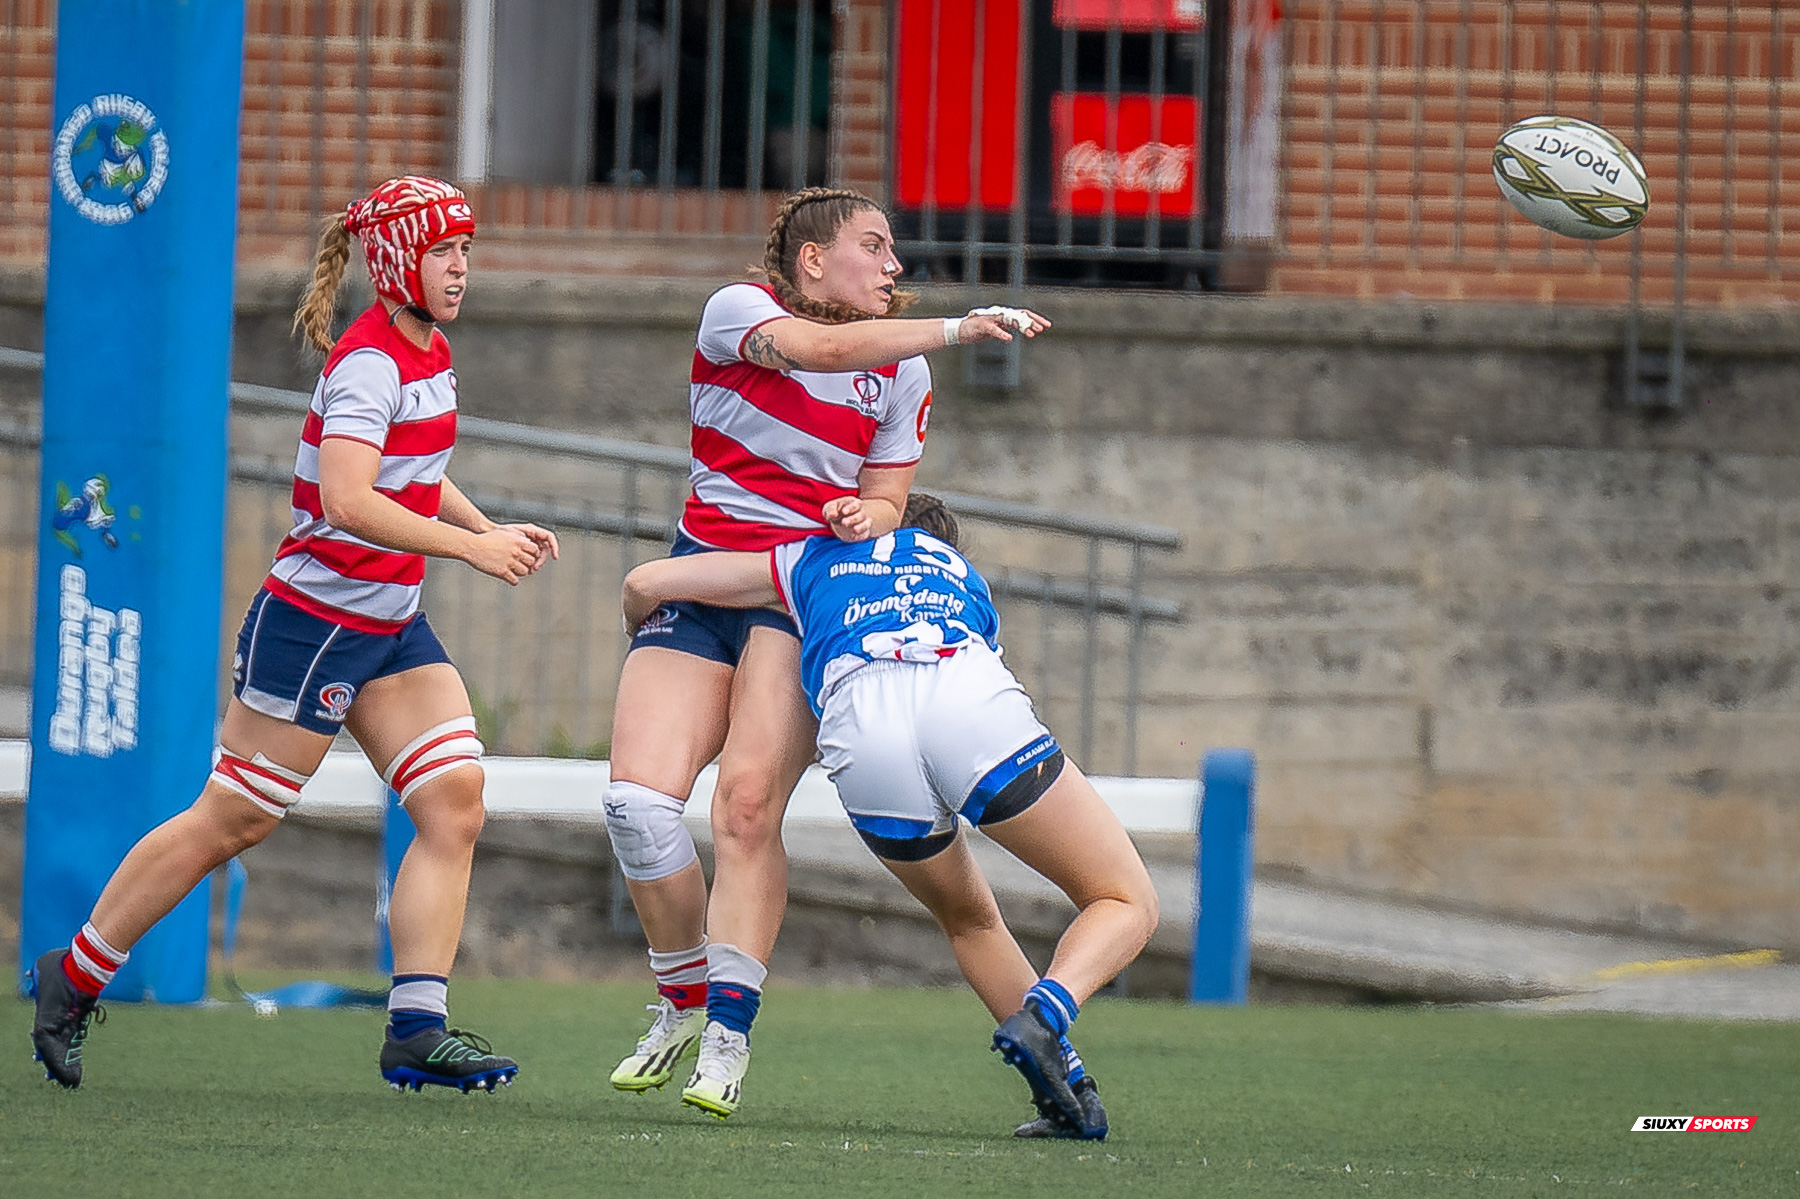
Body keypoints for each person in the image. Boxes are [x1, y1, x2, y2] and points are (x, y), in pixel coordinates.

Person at [29, 176, 559, 1094]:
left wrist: (482, 527)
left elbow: (414, 471)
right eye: (443, 252)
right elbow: (349, 501)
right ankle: (71, 974)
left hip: (389, 623)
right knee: (233, 818)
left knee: (454, 801)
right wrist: (473, 550)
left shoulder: (429, 350)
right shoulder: (368, 363)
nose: (461, 269)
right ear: (396, 262)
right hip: (314, 627)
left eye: (466, 251)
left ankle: (416, 1028)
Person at [602, 186, 1050, 1119]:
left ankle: (726, 1036)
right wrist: (960, 326)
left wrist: (865, 514)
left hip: (793, 596)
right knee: (636, 806)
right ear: (813, 259)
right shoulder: (739, 312)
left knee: (746, 806)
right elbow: (821, 351)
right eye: (874, 246)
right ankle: (680, 995)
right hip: (703, 575)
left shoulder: (903, 374)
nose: (894, 265)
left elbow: (888, 499)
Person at [619, 494, 1159, 1140]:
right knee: (1126, 899)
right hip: (959, 696)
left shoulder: (808, 557)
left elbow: (646, 583)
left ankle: (1068, 1088)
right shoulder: (959, 572)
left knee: (968, 919)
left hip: (861, 729)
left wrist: (641, 627)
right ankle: (1045, 1014)